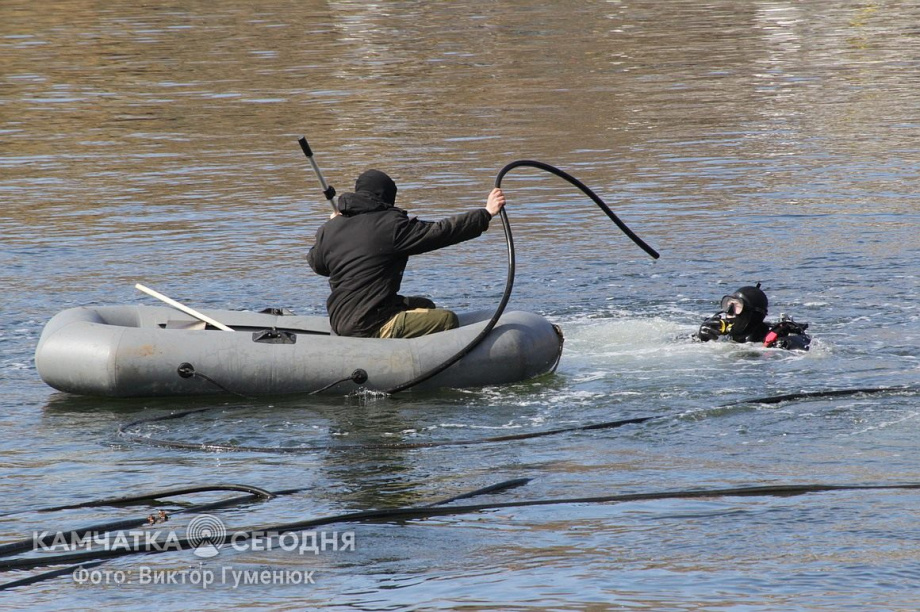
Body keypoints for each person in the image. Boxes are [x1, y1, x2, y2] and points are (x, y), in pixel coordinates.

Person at [307, 169, 506, 338]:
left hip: (340, 318)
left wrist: (330, 227)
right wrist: (486, 213)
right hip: (369, 322)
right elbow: (440, 232)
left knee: (425, 304)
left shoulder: (331, 228)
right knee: (447, 319)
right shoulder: (390, 226)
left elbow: (318, 264)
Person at [695, 283, 811, 350]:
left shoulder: (779, 341)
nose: (729, 312)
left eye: (737, 306)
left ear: (753, 314)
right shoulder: (719, 337)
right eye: (728, 304)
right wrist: (701, 338)